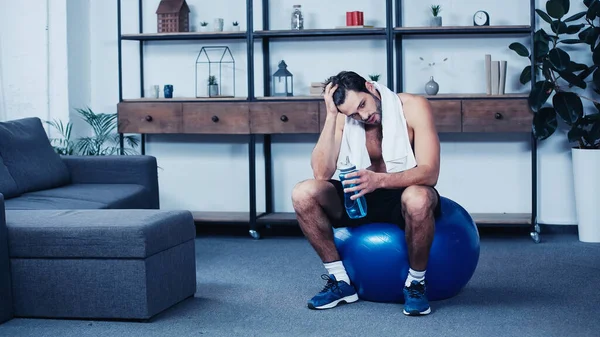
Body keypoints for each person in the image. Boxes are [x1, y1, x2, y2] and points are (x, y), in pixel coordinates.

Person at [291, 71, 441, 316]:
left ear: (371, 88)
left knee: (418, 198)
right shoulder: (345, 118)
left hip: (402, 192)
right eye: (354, 114)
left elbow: (430, 172)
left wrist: (379, 180)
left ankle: (416, 283)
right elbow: (321, 174)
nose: (364, 116)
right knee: (303, 192)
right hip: (360, 194)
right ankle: (341, 281)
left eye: (362, 104)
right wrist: (332, 116)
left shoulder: (414, 107)